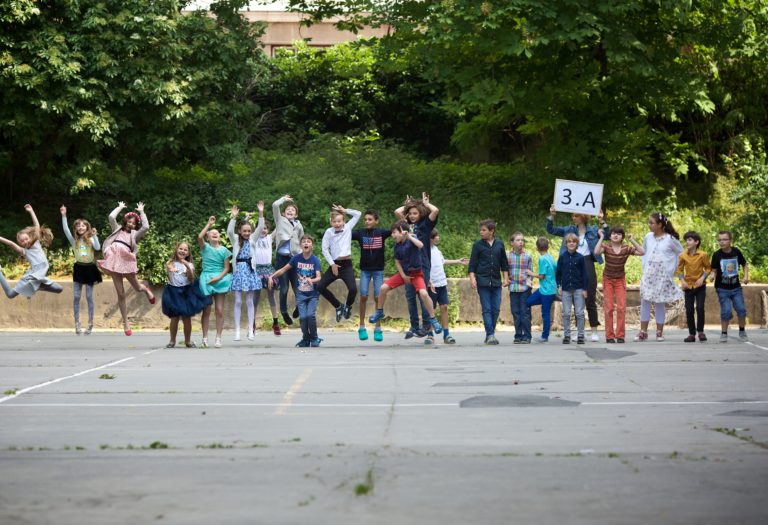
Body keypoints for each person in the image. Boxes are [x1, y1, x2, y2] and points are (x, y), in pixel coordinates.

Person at [546, 204, 609, 341]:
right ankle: (579, 331)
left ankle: (593, 331)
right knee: (575, 299)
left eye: (576, 215)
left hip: (587, 262)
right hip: (571, 263)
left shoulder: (592, 230)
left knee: (590, 298)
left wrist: (601, 221)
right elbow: (550, 229)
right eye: (572, 215)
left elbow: (607, 234)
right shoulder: (569, 229)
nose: (573, 218)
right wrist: (552, 215)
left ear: (583, 216)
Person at [369, 221, 443, 338]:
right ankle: (379, 311)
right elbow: (397, 261)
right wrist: (403, 275)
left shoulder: (411, 240)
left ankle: (433, 320)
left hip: (416, 274)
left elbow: (421, 245)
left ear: (402, 232)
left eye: (394, 232)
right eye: (392, 233)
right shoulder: (397, 245)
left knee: (424, 294)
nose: (392, 235)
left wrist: (409, 236)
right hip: (404, 274)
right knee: (383, 288)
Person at [97, 201, 154, 336]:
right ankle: (125, 323)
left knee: (137, 288)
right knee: (121, 294)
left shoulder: (134, 234)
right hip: (113, 259)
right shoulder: (116, 229)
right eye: (129, 222)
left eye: (134, 223)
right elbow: (111, 217)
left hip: (126, 259)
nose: (131, 224)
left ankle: (145, 289)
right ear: (125, 221)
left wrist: (141, 212)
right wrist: (120, 207)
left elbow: (146, 227)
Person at [395, 193, 440, 344]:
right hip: (408, 266)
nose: (413, 216)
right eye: (411, 213)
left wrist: (426, 204)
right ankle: (414, 326)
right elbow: (397, 211)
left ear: (420, 213)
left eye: (416, 213)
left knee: (423, 295)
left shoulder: (425, 225)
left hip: (422, 264)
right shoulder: (405, 225)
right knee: (409, 296)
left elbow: (435, 211)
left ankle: (427, 327)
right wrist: (407, 205)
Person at [634, 213, 683, 342]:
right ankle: (643, 331)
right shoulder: (648, 237)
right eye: (649, 222)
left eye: (652, 223)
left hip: (662, 275)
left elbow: (681, 253)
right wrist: (645, 266)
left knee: (660, 302)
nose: (649, 225)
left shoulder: (670, 239)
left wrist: (672, 269)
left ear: (660, 225)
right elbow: (644, 251)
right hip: (649, 273)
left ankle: (659, 332)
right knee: (645, 301)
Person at [269, 235, 323, 347]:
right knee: (303, 317)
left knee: (310, 316)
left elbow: (319, 277)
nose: (306, 243)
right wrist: (272, 276)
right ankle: (305, 339)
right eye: (304, 242)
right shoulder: (296, 258)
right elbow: (283, 269)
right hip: (300, 294)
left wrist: (311, 280)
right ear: (300, 245)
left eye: (308, 242)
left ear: (312, 245)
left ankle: (314, 338)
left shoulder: (315, 260)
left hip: (313, 294)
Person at [0, 204, 63, 300]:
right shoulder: (24, 251)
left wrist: (31, 211)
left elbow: (37, 226)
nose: (25, 242)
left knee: (59, 289)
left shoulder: (36, 244)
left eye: (26, 239)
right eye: (22, 241)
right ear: (20, 243)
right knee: (10, 295)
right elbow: (11, 244)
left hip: (40, 277)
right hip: (32, 277)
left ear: (30, 237)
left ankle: (38, 287)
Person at [594, 227, 644, 343]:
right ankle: (609, 336)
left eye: (618, 234)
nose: (615, 235)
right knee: (609, 308)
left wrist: (632, 240)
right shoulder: (606, 247)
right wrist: (601, 237)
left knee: (621, 308)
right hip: (608, 279)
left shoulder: (626, 248)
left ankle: (620, 335)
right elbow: (596, 252)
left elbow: (642, 252)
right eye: (613, 234)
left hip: (620, 279)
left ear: (622, 236)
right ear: (610, 236)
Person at [60, 205, 102, 335]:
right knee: (76, 297)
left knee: (89, 296)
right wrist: (63, 215)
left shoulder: (90, 240)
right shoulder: (74, 241)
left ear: (87, 228)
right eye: (78, 226)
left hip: (89, 269)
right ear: (76, 229)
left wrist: (94, 236)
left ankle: (90, 323)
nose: (81, 227)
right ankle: (77, 323)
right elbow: (66, 229)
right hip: (79, 269)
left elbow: (98, 247)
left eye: (83, 226)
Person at [226, 203, 265, 342]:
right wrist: (234, 217)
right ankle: (237, 330)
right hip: (239, 272)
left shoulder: (253, 239)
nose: (247, 233)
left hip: (250, 271)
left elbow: (260, 228)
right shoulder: (235, 240)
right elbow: (229, 231)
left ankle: (250, 330)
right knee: (237, 301)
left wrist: (261, 214)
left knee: (249, 301)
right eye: (245, 231)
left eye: (249, 231)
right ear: (240, 231)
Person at [467, 219, 510, 345]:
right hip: (482, 281)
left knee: (496, 309)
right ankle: (490, 335)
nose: (481, 232)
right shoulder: (477, 245)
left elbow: (504, 263)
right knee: (487, 309)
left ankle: (490, 333)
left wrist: (506, 278)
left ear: (491, 231)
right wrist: (472, 278)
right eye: (480, 230)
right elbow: (472, 264)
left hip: (496, 282)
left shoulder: (500, 244)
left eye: (484, 230)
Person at [161, 241, 211, 348]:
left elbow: (191, 278)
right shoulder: (170, 262)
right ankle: (172, 340)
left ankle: (187, 341)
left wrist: (187, 267)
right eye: (180, 249)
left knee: (186, 317)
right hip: (173, 292)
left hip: (186, 292)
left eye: (185, 250)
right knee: (174, 317)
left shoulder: (190, 265)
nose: (182, 251)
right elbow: (169, 267)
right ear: (176, 249)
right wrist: (171, 268)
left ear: (188, 253)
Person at [352, 209, 391, 342]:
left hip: (378, 270)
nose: (367, 221)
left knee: (377, 297)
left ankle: (378, 328)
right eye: (366, 219)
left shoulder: (382, 233)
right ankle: (362, 326)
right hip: (365, 270)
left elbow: (398, 227)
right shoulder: (360, 233)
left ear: (376, 221)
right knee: (363, 296)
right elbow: (344, 232)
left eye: (370, 219)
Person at [317, 204, 362, 322]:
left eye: (339, 221)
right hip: (335, 264)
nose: (337, 224)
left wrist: (344, 210)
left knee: (353, 289)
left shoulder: (347, 228)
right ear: (330, 222)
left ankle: (347, 306)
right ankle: (338, 305)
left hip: (346, 265)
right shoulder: (328, 232)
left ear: (343, 221)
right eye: (334, 221)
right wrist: (332, 264)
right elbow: (324, 249)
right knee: (320, 286)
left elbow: (358, 214)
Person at [197, 216, 232, 348]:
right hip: (206, 279)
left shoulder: (224, 251)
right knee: (206, 310)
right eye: (212, 233)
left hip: (220, 279)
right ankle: (205, 338)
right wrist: (208, 223)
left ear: (220, 237)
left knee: (219, 310)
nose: (214, 234)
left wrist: (218, 278)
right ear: (208, 238)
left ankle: (218, 337)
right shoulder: (204, 247)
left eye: (216, 233)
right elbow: (199, 237)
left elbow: (227, 268)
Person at [429, 229, 468, 345]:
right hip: (431, 284)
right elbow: (423, 267)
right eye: (436, 236)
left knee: (444, 307)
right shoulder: (424, 251)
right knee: (430, 310)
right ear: (430, 238)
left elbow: (442, 261)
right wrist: (429, 281)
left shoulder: (436, 250)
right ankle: (430, 334)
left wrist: (458, 261)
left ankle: (446, 334)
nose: (438, 238)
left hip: (441, 283)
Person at [710, 230, 749, 343]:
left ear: (730, 241)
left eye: (725, 239)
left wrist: (745, 276)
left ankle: (742, 331)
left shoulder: (736, 252)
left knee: (741, 309)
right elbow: (714, 270)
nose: (722, 242)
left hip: (736, 288)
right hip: (722, 288)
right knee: (726, 311)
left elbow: (744, 264)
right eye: (720, 240)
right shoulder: (717, 255)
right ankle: (724, 333)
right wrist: (712, 276)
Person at [272, 195, 304, 326]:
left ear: (296, 214)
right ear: (284, 213)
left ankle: (299, 308)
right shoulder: (280, 220)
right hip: (282, 259)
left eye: (293, 210)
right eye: (288, 210)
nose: (290, 211)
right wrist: (283, 199)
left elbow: (302, 240)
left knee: (297, 288)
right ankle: (284, 312)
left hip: (294, 258)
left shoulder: (299, 225)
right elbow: (274, 205)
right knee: (284, 288)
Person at [677, 231, 711, 342]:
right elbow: (679, 269)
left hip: (700, 286)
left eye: (690, 240)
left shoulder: (703, 255)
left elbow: (708, 268)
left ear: (696, 242)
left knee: (700, 308)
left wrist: (702, 278)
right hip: (688, 286)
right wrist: (682, 280)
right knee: (689, 310)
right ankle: (691, 334)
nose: (687, 242)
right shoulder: (683, 255)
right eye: (686, 240)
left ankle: (701, 332)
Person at [556, 233, 588, 344]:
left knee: (579, 313)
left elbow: (584, 274)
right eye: (569, 242)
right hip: (565, 288)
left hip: (578, 288)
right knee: (566, 313)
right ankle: (567, 335)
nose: (571, 243)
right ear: (566, 244)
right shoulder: (562, 257)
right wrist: (558, 285)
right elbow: (558, 273)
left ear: (577, 244)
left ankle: (580, 335)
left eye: (573, 242)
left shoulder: (580, 257)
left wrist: (585, 289)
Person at [252, 213, 281, 336]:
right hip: (257, 269)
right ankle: (252, 323)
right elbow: (245, 229)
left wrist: (283, 216)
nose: (263, 230)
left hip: (268, 270)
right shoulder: (254, 238)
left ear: (268, 230)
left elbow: (279, 226)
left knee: (271, 296)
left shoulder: (270, 238)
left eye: (265, 228)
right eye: (261, 228)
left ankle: (275, 323)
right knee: (255, 298)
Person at [525, 237, 557, 343]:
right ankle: (544, 335)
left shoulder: (542, 259)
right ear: (548, 247)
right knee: (529, 301)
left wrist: (531, 273)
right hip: (548, 289)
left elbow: (542, 276)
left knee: (545, 313)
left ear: (537, 248)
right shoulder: (550, 257)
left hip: (546, 290)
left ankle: (544, 336)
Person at [507, 232, 534, 344]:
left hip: (524, 289)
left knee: (525, 312)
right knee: (515, 312)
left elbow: (530, 272)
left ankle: (527, 335)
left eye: (522, 240)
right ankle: (518, 335)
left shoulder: (527, 256)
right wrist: (507, 279)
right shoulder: (508, 256)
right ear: (512, 243)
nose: (521, 242)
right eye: (518, 240)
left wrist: (529, 285)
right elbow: (506, 271)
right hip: (513, 288)